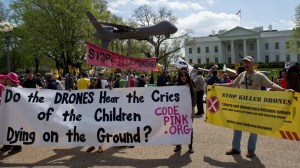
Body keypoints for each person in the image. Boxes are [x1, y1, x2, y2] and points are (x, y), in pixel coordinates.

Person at [212, 56, 294, 158]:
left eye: (248, 62)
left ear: (253, 64)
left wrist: (284, 90)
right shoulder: (242, 75)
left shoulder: (259, 76)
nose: (246, 64)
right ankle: (236, 148)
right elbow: (233, 84)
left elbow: (271, 84)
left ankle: (251, 150)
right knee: (237, 126)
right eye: (244, 62)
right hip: (242, 106)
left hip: (254, 107)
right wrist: (219, 85)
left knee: (254, 129)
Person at [173, 70, 196, 154]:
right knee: (178, 128)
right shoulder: (175, 85)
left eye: (185, 75)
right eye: (182, 75)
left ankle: (190, 146)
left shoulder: (190, 85)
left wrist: (193, 109)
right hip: (178, 110)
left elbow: (194, 97)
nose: (184, 77)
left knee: (188, 128)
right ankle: (178, 145)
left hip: (188, 110)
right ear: (179, 77)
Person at [0, 72, 23, 154]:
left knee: (15, 129)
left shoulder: (19, 88)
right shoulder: (7, 87)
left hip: (16, 113)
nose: (6, 79)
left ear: (12, 80)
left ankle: (17, 146)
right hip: (8, 112)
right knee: (7, 128)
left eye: (8, 78)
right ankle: (7, 145)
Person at [86, 77, 105, 153]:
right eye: (92, 80)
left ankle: (100, 146)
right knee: (91, 129)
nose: (93, 81)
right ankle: (92, 145)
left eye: (95, 80)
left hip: (99, 113)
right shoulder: (89, 90)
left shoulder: (102, 90)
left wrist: (111, 89)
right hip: (90, 112)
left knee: (99, 129)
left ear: (98, 81)